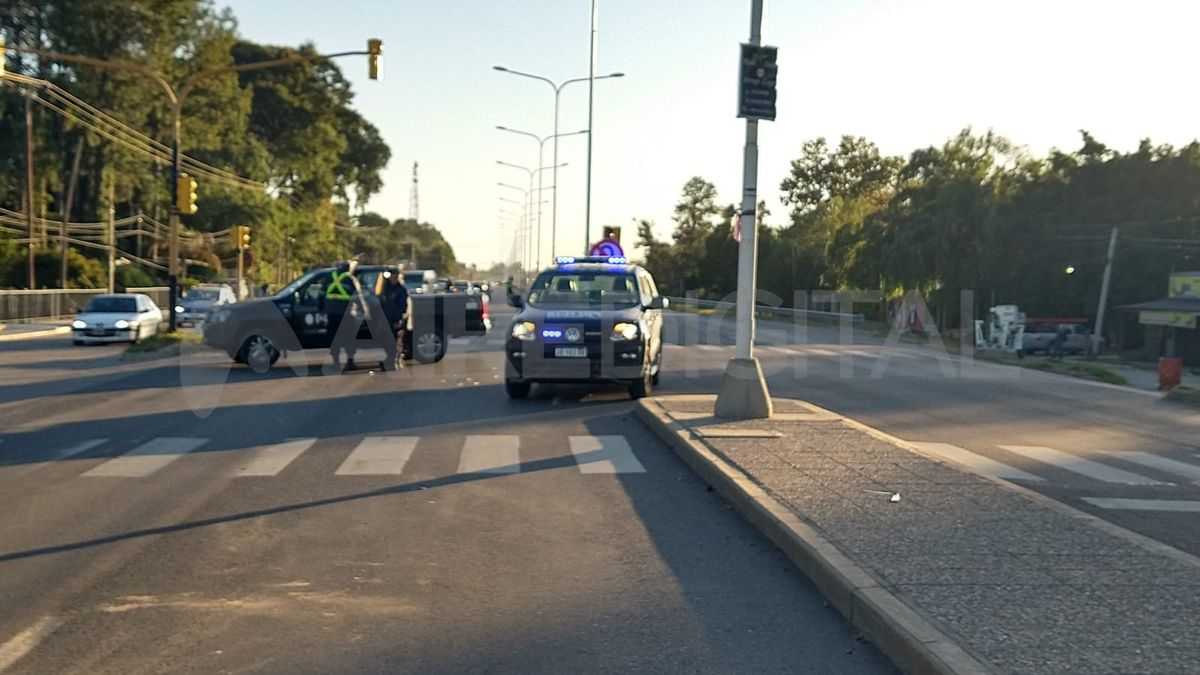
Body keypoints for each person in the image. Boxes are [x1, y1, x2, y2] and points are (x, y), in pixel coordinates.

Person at [380, 271, 409, 369]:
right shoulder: (385, 289)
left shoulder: (401, 290)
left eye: (394, 277)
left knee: (397, 341)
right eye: (391, 277)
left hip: (396, 320)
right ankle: (391, 359)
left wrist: (398, 319)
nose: (393, 279)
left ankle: (394, 360)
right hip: (386, 320)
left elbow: (402, 306)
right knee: (386, 341)